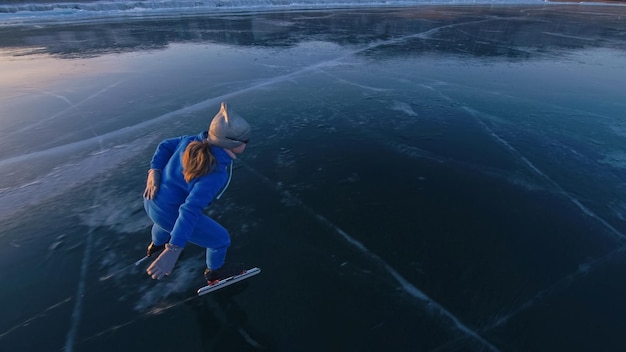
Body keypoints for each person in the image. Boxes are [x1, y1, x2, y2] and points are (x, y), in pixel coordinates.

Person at [142, 102, 250, 283]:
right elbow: (190, 209)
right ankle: (215, 272)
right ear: (231, 144)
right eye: (245, 141)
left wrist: (155, 171)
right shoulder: (215, 173)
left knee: (162, 224)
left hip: (152, 201)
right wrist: (174, 250)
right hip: (169, 212)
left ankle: (156, 246)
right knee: (221, 240)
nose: (247, 144)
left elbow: (164, 145)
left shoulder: (191, 141)